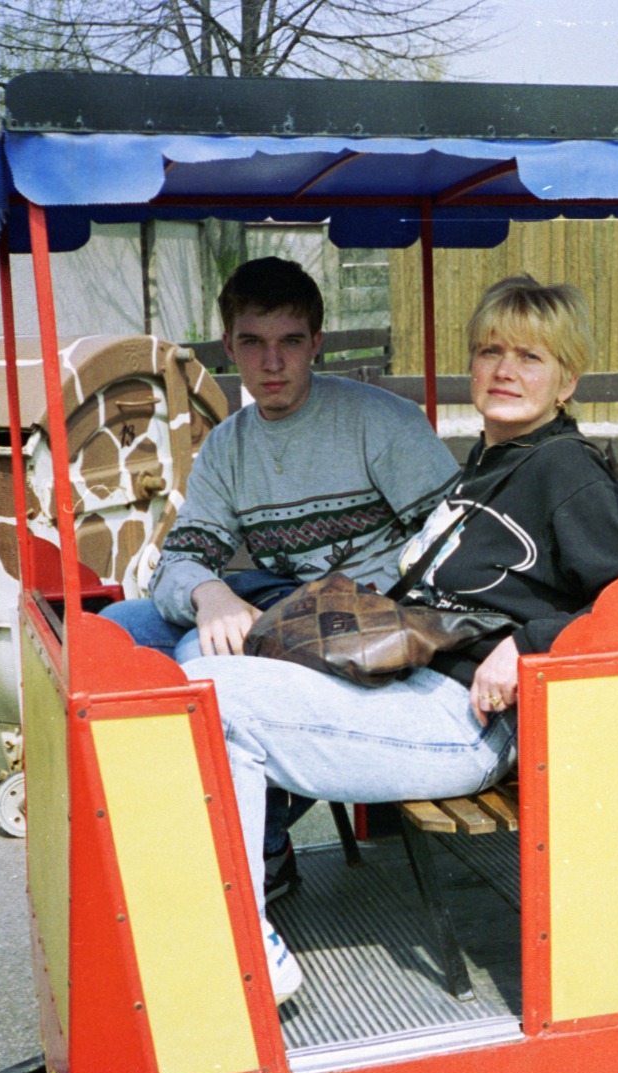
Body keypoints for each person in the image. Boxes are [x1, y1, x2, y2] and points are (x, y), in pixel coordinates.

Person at [184, 275, 618, 1005]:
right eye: (490, 351)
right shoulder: (488, 467)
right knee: (199, 665)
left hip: (472, 722)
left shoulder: (565, 471)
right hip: (414, 683)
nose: (505, 371)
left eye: (531, 358)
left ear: (567, 379)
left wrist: (530, 642)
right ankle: (241, 895)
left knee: (214, 697)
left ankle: (246, 942)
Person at [100, 256, 458, 900]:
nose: (272, 364)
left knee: (199, 658)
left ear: (315, 343)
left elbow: (455, 539)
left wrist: (372, 602)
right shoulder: (230, 446)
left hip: (372, 626)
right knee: (118, 630)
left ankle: (258, 851)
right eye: (252, 344)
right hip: (286, 615)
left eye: (290, 342)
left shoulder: (379, 423)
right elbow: (179, 558)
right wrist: (211, 595)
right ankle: (172, 827)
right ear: (229, 347)